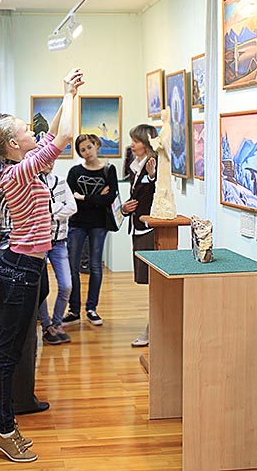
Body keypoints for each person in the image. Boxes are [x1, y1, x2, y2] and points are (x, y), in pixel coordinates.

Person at [0, 68, 83, 463]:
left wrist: (66, 92)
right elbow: (64, 137)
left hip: (28, 267)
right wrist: (71, 96)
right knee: (8, 352)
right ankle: (4, 429)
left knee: (10, 349)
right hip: (22, 269)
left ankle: (3, 426)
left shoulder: (23, 164)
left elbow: (53, 132)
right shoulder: (18, 172)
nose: (32, 130)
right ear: (13, 143)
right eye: (26, 129)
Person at [0, 114, 48, 417]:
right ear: (9, 142)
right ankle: (19, 400)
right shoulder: (16, 170)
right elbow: (54, 141)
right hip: (15, 255)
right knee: (22, 333)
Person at [62, 134, 118, 327]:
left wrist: (84, 198)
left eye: (89, 147)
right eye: (82, 150)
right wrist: (96, 198)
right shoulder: (75, 171)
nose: (87, 152)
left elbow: (110, 198)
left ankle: (91, 309)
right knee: (72, 267)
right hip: (77, 223)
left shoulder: (109, 170)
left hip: (99, 224)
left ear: (96, 145)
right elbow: (70, 199)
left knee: (95, 266)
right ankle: (74, 310)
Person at [121, 124, 157, 347]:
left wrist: (152, 177)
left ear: (147, 143)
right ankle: (153, 327)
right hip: (138, 227)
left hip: (150, 229)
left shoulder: (154, 165)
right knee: (147, 281)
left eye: (136, 141)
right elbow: (136, 196)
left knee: (154, 282)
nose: (132, 145)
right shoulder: (136, 165)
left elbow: (159, 191)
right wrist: (125, 208)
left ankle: (152, 329)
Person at [38, 163, 77, 345]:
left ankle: (57, 322)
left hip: (59, 242)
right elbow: (37, 211)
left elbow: (73, 207)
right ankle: (47, 326)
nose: (50, 163)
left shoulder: (61, 181)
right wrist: (59, 206)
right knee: (41, 287)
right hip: (39, 243)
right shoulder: (33, 183)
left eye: (52, 159)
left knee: (66, 285)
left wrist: (51, 213)